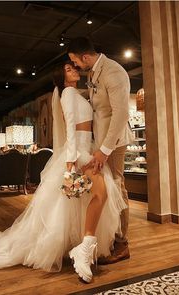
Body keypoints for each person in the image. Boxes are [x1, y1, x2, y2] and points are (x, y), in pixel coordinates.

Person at [0, 62, 126, 283]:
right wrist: (72, 160)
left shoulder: (77, 93)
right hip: (79, 152)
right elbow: (71, 127)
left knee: (89, 199)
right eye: (69, 69)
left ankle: (82, 246)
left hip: (86, 149)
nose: (73, 70)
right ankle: (83, 248)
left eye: (73, 67)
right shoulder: (68, 94)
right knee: (100, 194)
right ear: (62, 78)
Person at [68, 37, 134, 264]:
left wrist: (105, 149)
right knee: (107, 186)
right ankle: (110, 236)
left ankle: (122, 243)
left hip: (114, 141)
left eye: (74, 60)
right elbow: (98, 104)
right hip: (102, 139)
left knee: (117, 185)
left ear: (85, 57)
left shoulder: (113, 72)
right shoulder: (92, 73)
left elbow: (120, 114)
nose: (75, 65)